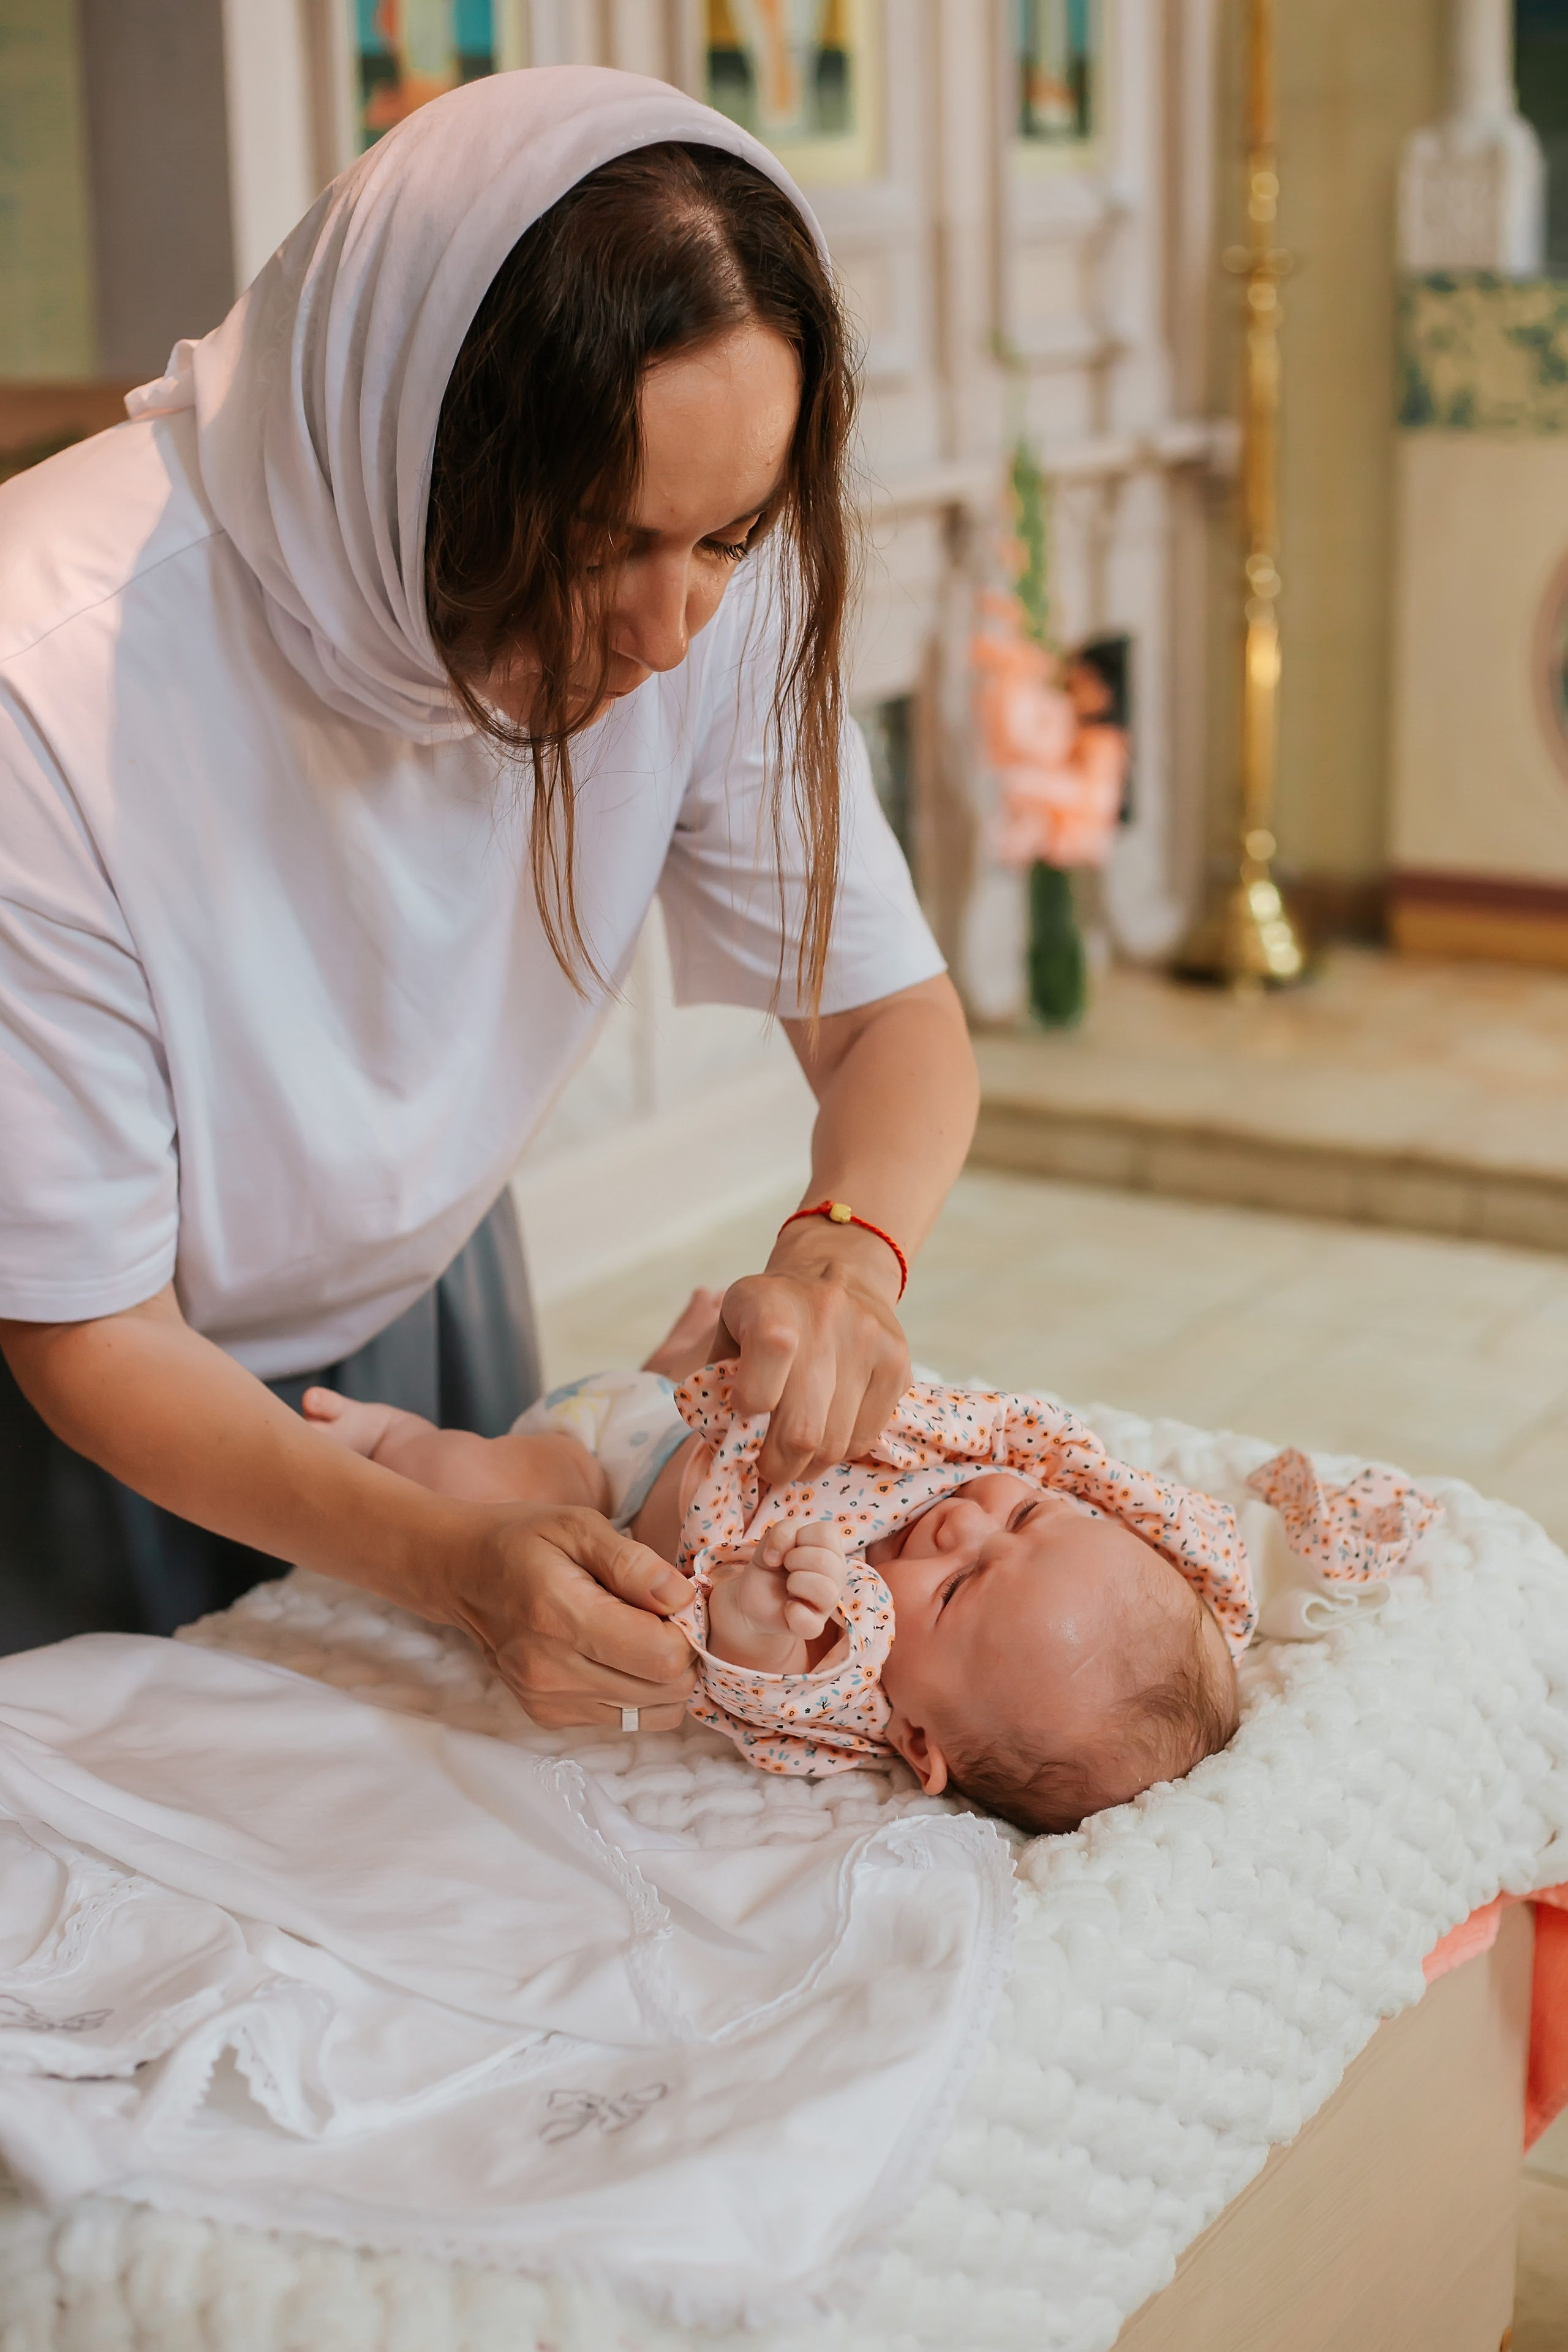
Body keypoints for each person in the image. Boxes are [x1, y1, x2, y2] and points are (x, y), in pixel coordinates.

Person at [0, 69, 978, 1724]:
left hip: (420, 1310)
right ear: (419, 441)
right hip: (80, 1404)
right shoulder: (46, 676)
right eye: (599, 547)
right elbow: (89, 1329)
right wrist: (445, 1560)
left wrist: (848, 1252)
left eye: (727, 541)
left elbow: (887, 1018)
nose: (669, 633)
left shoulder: (700, 572)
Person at [301, 1292, 1249, 1833]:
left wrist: (760, 1614)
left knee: (482, 1482)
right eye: (1029, 1516)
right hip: (683, 1405)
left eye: (959, 1589)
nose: (966, 1524)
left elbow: (765, 1676)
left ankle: (394, 1442)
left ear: (919, 1738)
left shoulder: (848, 1667)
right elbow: (1130, 1495)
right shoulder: (984, 1472)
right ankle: (665, 1365)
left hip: (597, 1482)